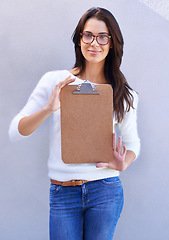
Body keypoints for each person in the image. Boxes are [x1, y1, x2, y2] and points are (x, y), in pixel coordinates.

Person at [9, 7, 140, 240]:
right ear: (79, 39)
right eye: (88, 35)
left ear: (112, 43)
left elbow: (133, 143)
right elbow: (16, 131)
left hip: (105, 190)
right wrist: (49, 109)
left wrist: (123, 163)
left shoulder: (123, 94)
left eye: (103, 37)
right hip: (62, 192)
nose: (94, 43)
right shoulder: (56, 81)